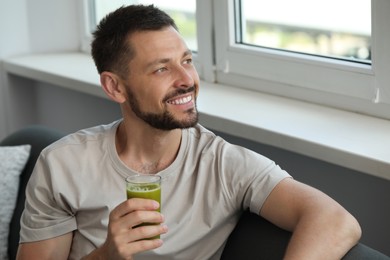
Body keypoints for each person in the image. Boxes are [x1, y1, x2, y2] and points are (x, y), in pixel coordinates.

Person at [16, 4, 361, 260]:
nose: (186, 80)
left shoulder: (223, 164)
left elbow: (334, 220)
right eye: (161, 68)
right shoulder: (62, 164)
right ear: (115, 87)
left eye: (186, 60)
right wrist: (107, 254)